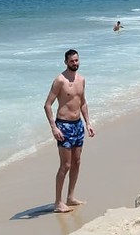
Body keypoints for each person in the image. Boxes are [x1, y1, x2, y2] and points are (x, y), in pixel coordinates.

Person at [43, 49, 95, 213]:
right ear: (65, 62)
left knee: (77, 162)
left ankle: (70, 197)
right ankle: (58, 203)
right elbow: (48, 105)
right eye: (72, 61)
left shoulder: (82, 79)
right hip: (64, 126)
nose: (75, 63)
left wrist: (88, 123)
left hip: (78, 125)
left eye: (77, 60)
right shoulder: (60, 80)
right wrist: (54, 127)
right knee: (65, 165)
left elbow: (83, 102)